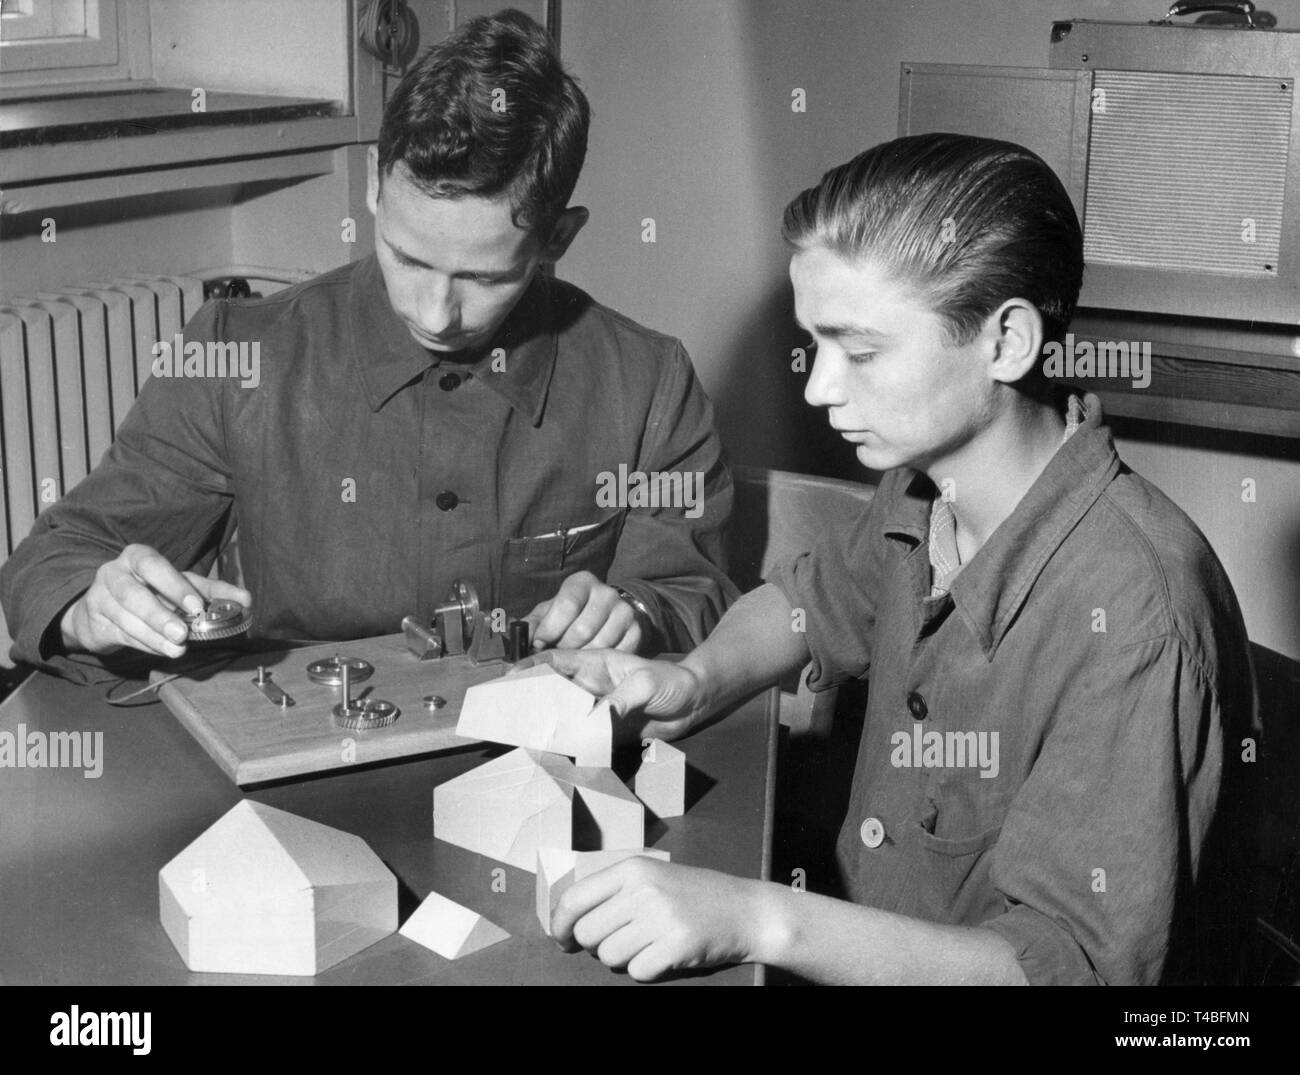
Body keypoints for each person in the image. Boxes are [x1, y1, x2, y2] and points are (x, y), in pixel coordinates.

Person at [524, 133, 1257, 985]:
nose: (819, 386)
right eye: (816, 343)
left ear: (1006, 342)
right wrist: (694, 678)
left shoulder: (1137, 617)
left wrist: (753, 916)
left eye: (861, 351)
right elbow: (810, 601)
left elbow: (1064, 969)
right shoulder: (926, 486)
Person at [0, 9, 737, 681]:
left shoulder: (646, 383)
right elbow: (54, 559)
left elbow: (694, 594)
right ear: (375, 194)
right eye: (408, 258)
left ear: (558, 240)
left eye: (482, 278)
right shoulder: (236, 356)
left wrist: (635, 615)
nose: (436, 312)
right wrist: (90, 606)